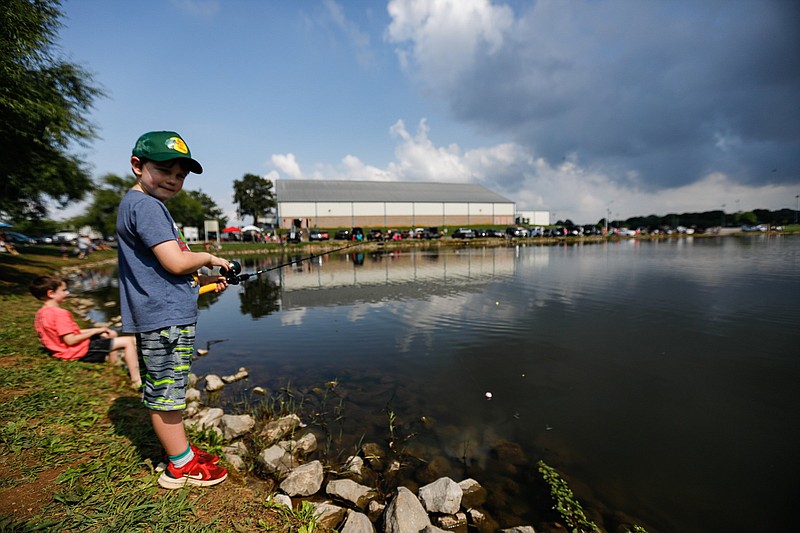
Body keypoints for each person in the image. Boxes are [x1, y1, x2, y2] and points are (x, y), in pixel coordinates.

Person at [116, 131, 229, 489]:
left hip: (161, 315)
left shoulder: (136, 205)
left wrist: (207, 283)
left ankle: (181, 452)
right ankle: (180, 466)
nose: (173, 180)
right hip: (164, 321)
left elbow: (165, 276)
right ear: (138, 165)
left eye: (180, 175)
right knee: (167, 394)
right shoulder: (146, 206)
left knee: (168, 388)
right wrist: (210, 257)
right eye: (164, 170)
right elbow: (175, 262)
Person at [29, 275, 141, 389]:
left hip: (60, 349)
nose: (67, 293)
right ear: (51, 293)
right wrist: (93, 333)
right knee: (128, 341)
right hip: (75, 351)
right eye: (63, 290)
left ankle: (114, 365)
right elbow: (70, 340)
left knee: (110, 333)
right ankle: (136, 380)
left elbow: (65, 333)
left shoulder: (42, 313)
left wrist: (96, 330)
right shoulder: (59, 313)